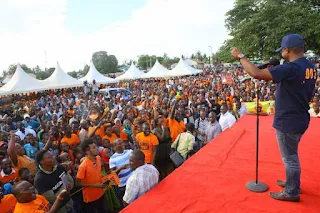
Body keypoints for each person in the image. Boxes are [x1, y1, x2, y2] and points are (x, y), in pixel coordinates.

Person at [231, 34, 316, 202]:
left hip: (288, 119)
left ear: (287, 50)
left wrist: (240, 56)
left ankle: (292, 192)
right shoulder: (310, 66)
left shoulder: (290, 68)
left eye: (282, 50)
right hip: (300, 117)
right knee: (292, 154)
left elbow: (255, 73)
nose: (281, 53)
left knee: (290, 158)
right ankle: (292, 182)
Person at [76, 138, 108, 213]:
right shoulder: (83, 166)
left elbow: (98, 173)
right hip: (90, 198)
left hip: (101, 193)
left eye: (96, 146)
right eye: (94, 148)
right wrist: (96, 185)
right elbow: (78, 184)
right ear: (87, 151)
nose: (97, 148)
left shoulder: (98, 158)